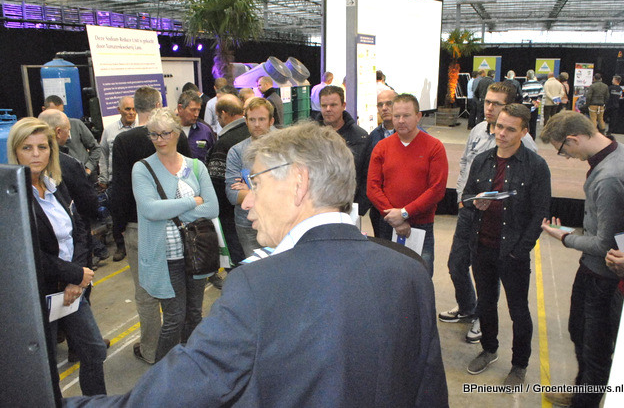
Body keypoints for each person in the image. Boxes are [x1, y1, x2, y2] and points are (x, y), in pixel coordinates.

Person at [64, 122, 448, 408]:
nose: (247, 201)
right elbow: (428, 391)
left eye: (256, 183)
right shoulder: (409, 271)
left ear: (298, 183)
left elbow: (174, 395)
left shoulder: (256, 285)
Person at [540, 110, 624, 408]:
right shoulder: (617, 151)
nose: (566, 156)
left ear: (574, 139)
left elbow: (604, 244)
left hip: (603, 277)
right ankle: (581, 392)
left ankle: (585, 401)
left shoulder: (609, 177)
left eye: (563, 149)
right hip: (593, 270)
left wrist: (564, 236)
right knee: (579, 332)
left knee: (594, 349)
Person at [8, 118, 107, 397]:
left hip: (72, 288)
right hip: (40, 295)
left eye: (42, 147)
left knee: (94, 350)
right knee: (45, 366)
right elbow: (28, 252)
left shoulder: (55, 185)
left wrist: (78, 277)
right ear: (15, 151)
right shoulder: (12, 198)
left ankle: (96, 402)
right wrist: (74, 274)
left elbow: (79, 229)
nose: (36, 154)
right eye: (27, 147)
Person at [439, 82, 538, 345]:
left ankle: (483, 318)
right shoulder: (477, 131)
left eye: (496, 103)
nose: (489, 107)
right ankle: (467, 307)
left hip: (497, 221)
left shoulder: (525, 143)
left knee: (488, 276)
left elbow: (529, 186)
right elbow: (465, 162)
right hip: (469, 211)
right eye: (487, 101)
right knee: (456, 264)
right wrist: (462, 198)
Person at [463, 103, 551, 386]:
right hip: (482, 247)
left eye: (510, 129)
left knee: (518, 310)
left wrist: (519, 250)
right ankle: (489, 349)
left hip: (512, 252)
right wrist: (475, 203)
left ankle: (519, 365)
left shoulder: (536, 166)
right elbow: (466, 196)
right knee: (486, 304)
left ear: (524, 132)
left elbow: (540, 213)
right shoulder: (482, 160)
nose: (501, 133)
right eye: (499, 126)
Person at [110, 86, 192, 364]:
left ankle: (151, 351)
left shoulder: (124, 141)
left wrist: (120, 228)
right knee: (178, 290)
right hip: (177, 225)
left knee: (146, 293)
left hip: (139, 227)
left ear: (135, 108)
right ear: (158, 105)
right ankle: (179, 347)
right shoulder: (177, 136)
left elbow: (119, 189)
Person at [132, 107, 219, 362]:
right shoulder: (142, 169)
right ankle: (163, 371)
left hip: (196, 251)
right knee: (174, 317)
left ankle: (188, 365)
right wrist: (192, 201)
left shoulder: (196, 166)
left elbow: (212, 208)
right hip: (166, 257)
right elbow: (150, 210)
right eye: (154, 134)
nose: (159, 140)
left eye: (165, 133)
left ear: (177, 132)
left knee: (194, 314)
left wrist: (169, 208)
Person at [367, 93, 448, 277]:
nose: (401, 120)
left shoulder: (434, 147)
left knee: (421, 276)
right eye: (397, 116)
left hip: (421, 225)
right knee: (389, 277)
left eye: (406, 115)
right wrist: (393, 217)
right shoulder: (381, 147)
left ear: (418, 116)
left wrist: (405, 213)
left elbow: (437, 189)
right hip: (388, 223)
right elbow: (372, 187)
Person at [225, 98, 275, 257]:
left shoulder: (284, 146)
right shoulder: (236, 151)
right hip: (247, 224)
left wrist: (250, 190)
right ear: (245, 121)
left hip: (279, 219)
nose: (257, 124)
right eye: (252, 120)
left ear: (271, 121)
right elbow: (233, 195)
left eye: (262, 119)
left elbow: (289, 189)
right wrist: (270, 191)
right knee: (256, 267)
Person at [205, 94, 250, 266]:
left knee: (238, 262)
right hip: (257, 213)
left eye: (218, 117)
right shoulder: (253, 134)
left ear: (224, 114)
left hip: (231, 217)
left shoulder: (224, 143)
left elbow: (216, 184)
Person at [316, 85, 369, 213]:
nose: (328, 109)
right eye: (324, 105)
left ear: (343, 105)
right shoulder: (310, 136)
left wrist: (358, 209)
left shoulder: (360, 137)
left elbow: (367, 176)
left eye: (333, 105)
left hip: (350, 208)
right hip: (317, 207)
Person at [97, 96, 137, 262]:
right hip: (117, 181)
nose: (131, 112)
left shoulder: (141, 129)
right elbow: (103, 154)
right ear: (119, 110)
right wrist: (104, 177)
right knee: (117, 214)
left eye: (134, 109)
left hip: (137, 179)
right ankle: (121, 246)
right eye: (127, 109)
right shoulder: (110, 130)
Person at [362, 89, 397, 237]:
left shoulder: (413, 135)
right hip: (379, 209)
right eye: (380, 105)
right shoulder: (373, 136)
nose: (384, 108)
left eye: (389, 103)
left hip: (403, 208)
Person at [43, 95, 101, 180]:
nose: (58, 118)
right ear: (44, 110)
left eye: (61, 113)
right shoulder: (41, 132)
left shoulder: (76, 124)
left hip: (85, 177)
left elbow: (96, 148)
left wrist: (88, 168)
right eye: (54, 114)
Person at [176, 90, 216, 163]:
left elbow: (213, 157)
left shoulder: (205, 131)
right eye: (193, 110)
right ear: (180, 108)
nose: (196, 114)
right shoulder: (170, 131)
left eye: (198, 110)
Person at [521, 70, 543, 140]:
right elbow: (541, 94)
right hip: (535, 106)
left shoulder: (525, 84)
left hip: (526, 105)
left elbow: (524, 95)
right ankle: (533, 139)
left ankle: (525, 138)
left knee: (525, 122)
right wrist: (537, 102)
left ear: (527, 76)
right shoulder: (539, 84)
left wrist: (531, 101)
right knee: (533, 122)